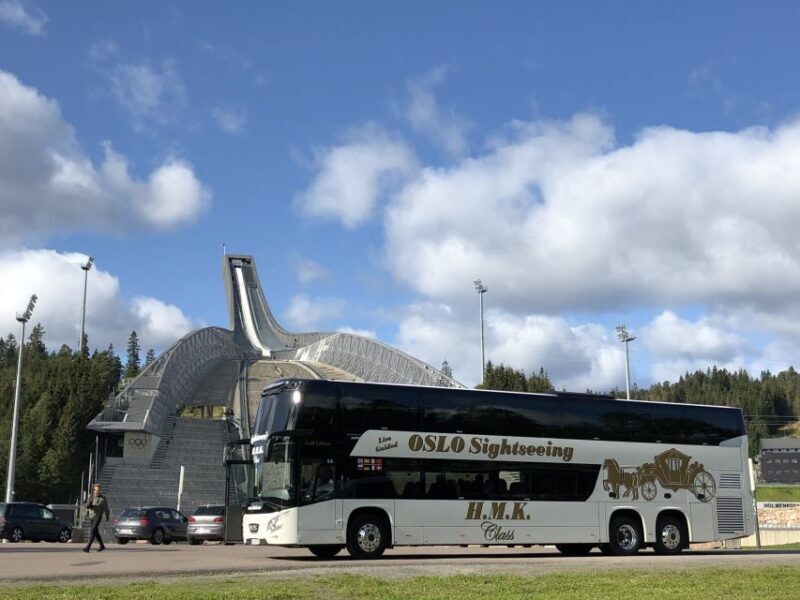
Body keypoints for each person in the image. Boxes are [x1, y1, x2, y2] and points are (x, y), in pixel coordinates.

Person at [83, 483, 110, 552]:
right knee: (95, 532)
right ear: (93, 490)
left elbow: (106, 508)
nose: (98, 491)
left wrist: (107, 515)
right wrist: (88, 507)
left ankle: (87, 547)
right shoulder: (90, 496)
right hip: (91, 515)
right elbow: (87, 505)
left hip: (98, 516)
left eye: (99, 490)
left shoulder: (102, 498)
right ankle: (102, 546)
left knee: (92, 530)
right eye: (96, 490)